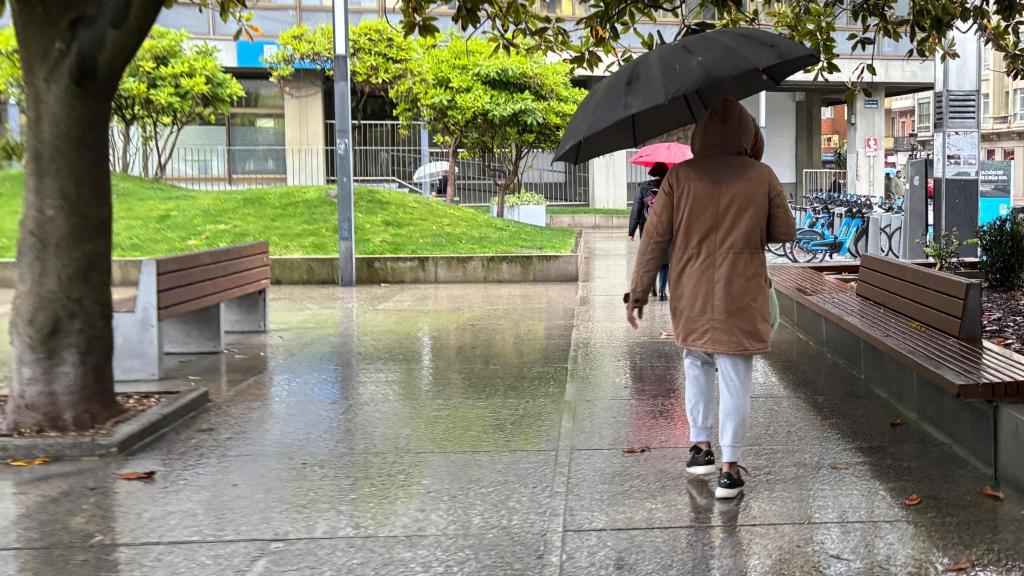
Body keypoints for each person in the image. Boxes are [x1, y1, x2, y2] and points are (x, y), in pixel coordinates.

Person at [624, 98, 796, 499]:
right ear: (748, 134)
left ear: (701, 135)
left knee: (696, 364)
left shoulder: (679, 177)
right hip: (742, 292)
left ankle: (700, 448)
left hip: (692, 291)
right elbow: (785, 231)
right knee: (735, 376)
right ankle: (730, 471)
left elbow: (654, 239)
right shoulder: (762, 176)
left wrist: (639, 292)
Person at [628, 162, 671, 300]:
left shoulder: (643, 187)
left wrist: (632, 230)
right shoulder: (671, 186)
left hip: (648, 230)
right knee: (664, 261)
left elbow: (637, 208)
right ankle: (662, 292)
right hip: (666, 230)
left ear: (653, 172)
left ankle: (652, 288)